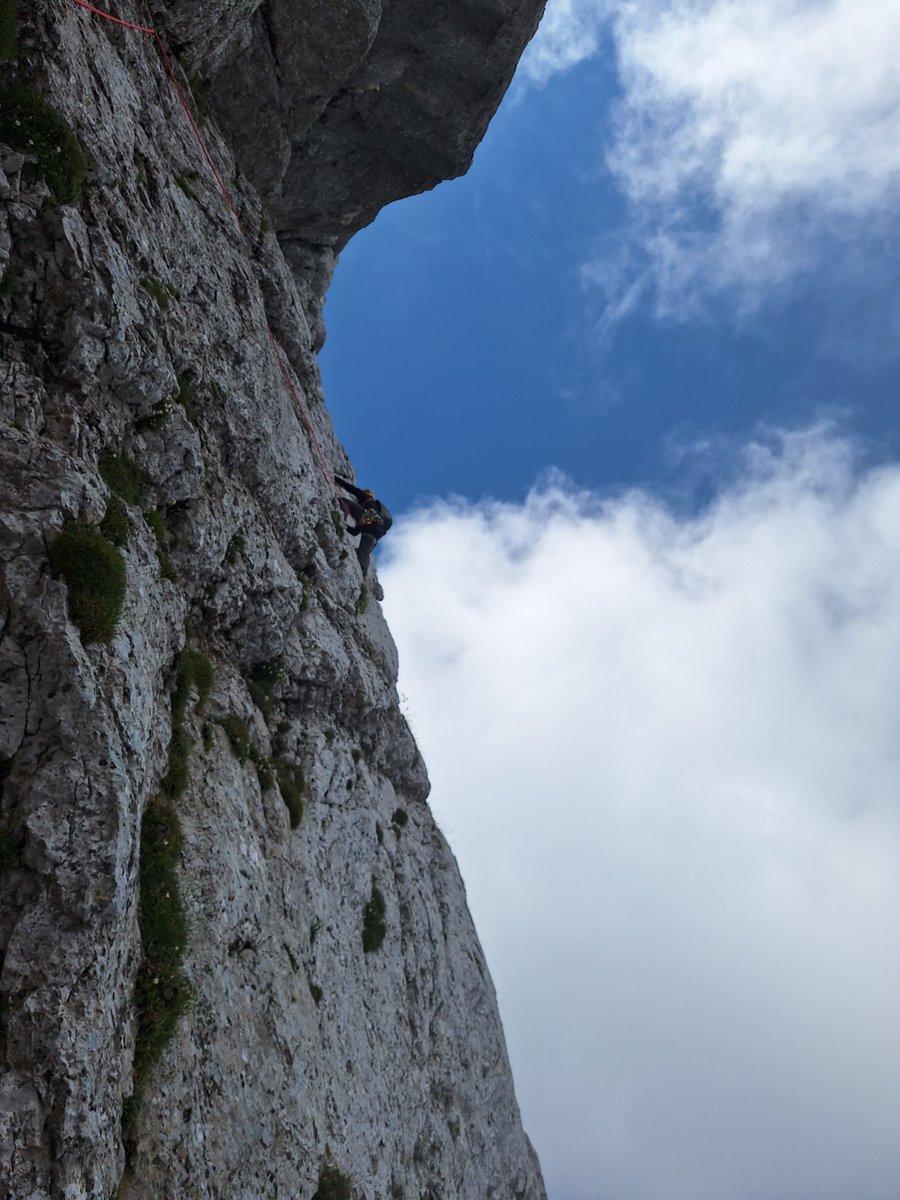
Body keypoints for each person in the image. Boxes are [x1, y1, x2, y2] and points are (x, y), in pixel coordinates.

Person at [334, 475, 392, 574]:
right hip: (375, 533)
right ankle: (363, 570)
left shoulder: (367, 498)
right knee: (364, 550)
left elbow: (353, 490)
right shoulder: (375, 509)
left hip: (369, 517)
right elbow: (355, 532)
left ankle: (341, 517)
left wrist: (339, 481)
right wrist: (344, 527)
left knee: (344, 501)